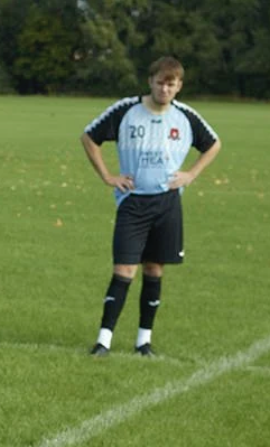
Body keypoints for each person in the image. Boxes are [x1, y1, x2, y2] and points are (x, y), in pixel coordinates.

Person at [79, 56, 221, 356]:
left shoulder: (185, 117)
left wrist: (191, 174)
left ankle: (143, 341)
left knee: (155, 269)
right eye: (160, 83)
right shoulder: (126, 110)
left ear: (179, 86)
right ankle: (103, 341)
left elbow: (214, 144)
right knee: (124, 268)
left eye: (171, 84)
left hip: (167, 204)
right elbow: (89, 137)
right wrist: (108, 176)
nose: (165, 89)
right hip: (132, 202)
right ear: (150, 81)